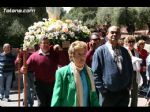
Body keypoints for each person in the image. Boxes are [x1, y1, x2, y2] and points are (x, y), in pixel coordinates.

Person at [92, 26, 133, 107]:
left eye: (117, 33)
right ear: (107, 34)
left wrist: (128, 85)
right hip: (108, 93)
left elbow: (130, 69)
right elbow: (95, 72)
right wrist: (102, 89)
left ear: (120, 35)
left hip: (123, 92)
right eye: (112, 32)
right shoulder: (100, 51)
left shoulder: (124, 51)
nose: (114, 34)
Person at [51, 40, 99, 107]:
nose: (82, 57)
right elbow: (56, 97)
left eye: (84, 54)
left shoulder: (89, 71)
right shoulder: (62, 73)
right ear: (72, 56)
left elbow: (93, 95)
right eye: (79, 54)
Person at [22, 35, 59, 106]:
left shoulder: (54, 54)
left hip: (53, 84)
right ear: (40, 45)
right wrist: (22, 69)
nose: (46, 45)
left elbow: (63, 62)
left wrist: (60, 51)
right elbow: (25, 67)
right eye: (44, 43)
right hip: (39, 85)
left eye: (47, 43)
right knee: (41, 104)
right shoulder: (34, 56)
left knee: (51, 104)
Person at [125, 36, 141, 107]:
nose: (131, 43)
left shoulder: (136, 51)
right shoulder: (124, 50)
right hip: (127, 74)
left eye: (132, 42)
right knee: (125, 93)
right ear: (126, 42)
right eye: (129, 42)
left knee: (135, 94)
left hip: (135, 73)